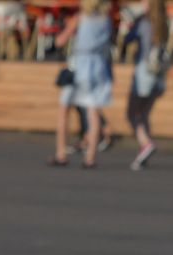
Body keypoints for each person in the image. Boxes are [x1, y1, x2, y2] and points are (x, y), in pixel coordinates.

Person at [52, 0, 113, 168]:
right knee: (93, 112)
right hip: (99, 66)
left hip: (79, 64)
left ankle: (61, 153)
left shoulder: (81, 18)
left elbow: (60, 41)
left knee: (64, 109)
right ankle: (90, 157)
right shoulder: (106, 20)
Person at [126, 0, 167, 170]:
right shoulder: (164, 24)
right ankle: (143, 152)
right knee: (144, 113)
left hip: (144, 72)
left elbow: (129, 38)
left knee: (133, 113)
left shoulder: (143, 23)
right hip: (159, 73)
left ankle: (146, 143)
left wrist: (132, 21)